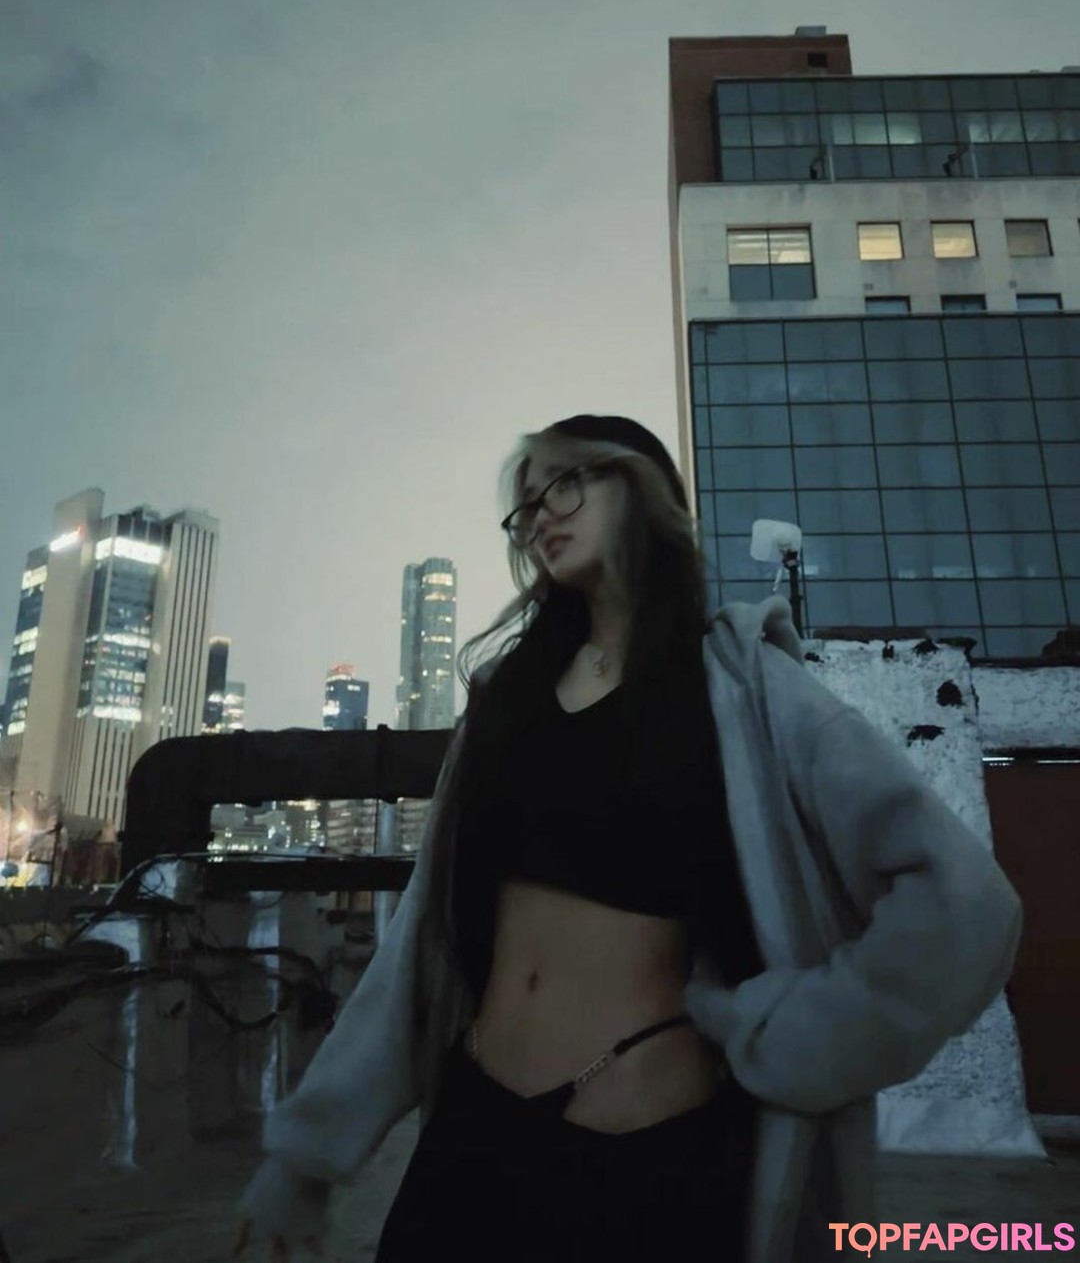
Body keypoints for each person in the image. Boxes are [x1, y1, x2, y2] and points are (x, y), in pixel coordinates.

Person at [233, 414, 1023, 1262]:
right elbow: (420, 946)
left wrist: (798, 1036)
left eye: (566, 482)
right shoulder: (506, 697)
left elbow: (966, 904)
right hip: (472, 1132)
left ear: (641, 488)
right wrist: (307, 1154)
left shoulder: (743, 686)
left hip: (648, 1152)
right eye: (527, 504)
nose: (541, 514)